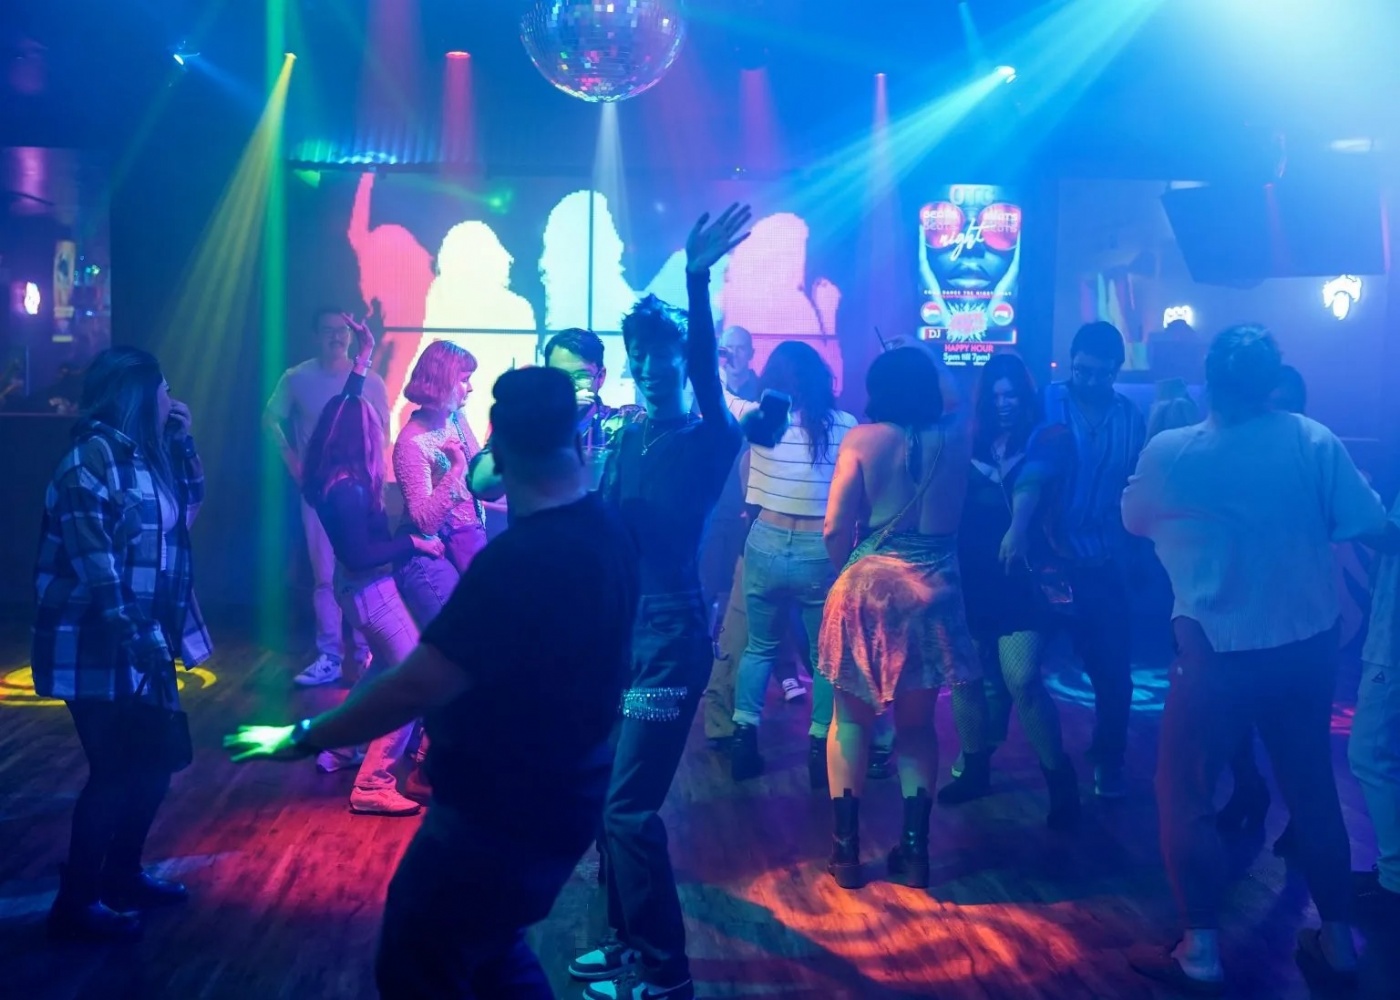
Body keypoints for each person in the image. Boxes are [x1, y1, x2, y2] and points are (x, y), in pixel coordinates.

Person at [227, 365, 640, 999]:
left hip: (498, 814)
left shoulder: (518, 560)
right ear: (575, 437)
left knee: (418, 963)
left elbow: (413, 687)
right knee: (492, 954)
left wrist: (303, 735)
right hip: (573, 793)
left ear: (500, 451)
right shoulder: (609, 529)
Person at [1122, 324, 1389, 994]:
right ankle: (1338, 946)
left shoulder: (1174, 450)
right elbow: (1368, 525)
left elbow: (1134, 518)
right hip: (1307, 647)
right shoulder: (1312, 439)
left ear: (1209, 378)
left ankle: (1200, 953)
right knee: (1313, 792)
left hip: (1216, 651)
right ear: (1274, 382)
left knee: (1186, 792)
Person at [568, 206, 750, 1000]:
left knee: (628, 810)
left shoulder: (710, 437)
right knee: (605, 797)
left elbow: (708, 371)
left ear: (684, 362)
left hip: (671, 640)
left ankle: (667, 972)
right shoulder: (625, 439)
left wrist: (697, 279)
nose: (649, 368)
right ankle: (621, 941)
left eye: (663, 357)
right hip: (618, 637)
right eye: (639, 357)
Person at [33, 347, 209, 942]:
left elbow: (186, 513)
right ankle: (76, 903)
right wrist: (144, 641)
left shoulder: (144, 454)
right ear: (138, 394)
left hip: (142, 639)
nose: (172, 398)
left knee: (154, 764)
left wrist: (182, 443)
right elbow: (97, 567)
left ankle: (123, 874)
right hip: (94, 644)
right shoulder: (88, 461)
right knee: (113, 771)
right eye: (164, 389)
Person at [816, 345, 976, 890]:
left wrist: (849, 571)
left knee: (850, 723)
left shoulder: (862, 440)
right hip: (935, 597)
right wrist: (929, 359)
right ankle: (914, 853)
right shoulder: (958, 438)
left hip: (868, 591)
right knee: (917, 727)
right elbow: (954, 397)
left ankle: (845, 853)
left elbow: (834, 527)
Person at [299, 322, 440, 817]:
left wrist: (363, 360)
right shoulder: (349, 489)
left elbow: (345, 405)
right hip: (369, 590)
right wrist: (413, 543)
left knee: (382, 671)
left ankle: (340, 749)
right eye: (374, 425)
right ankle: (374, 783)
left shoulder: (333, 474)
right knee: (412, 683)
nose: (380, 429)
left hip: (359, 590)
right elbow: (361, 554)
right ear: (360, 436)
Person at [940, 353, 1079, 827]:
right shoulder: (968, 439)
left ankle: (1060, 780)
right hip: (968, 574)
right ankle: (976, 768)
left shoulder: (1046, 437)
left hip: (1022, 577)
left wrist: (1017, 528)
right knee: (965, 678)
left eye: (1012, 395)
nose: (1004, 403)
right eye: (996, 395)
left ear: (1026, 397)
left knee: (1021, 677)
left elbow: (1034, 481)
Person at [725, 341, 857, 787]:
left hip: (764, 539)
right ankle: (819, 749)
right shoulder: (845, 425)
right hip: (817, 547)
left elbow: (715, 395)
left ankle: (743, 740)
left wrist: (720, 362)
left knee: (759, 648)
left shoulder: (759, 422)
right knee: (822, 657)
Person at [1041, 321, 1145, 798]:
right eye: (1082, 370)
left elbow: (1134, 484)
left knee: (1114, 672)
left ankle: (1109, 761)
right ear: (1071, 362)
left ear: (1116, 371)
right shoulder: (1047, 400)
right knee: (1017, 667)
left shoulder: (1130, 416)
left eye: (1102, 374)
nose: (1090, 381)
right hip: (1045, 560)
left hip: (1101, 559)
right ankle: (990, 754)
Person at [264, 308, 389, 687]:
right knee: (324, 575)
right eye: (328, 330)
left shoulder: (371, 380)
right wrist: (293, 463)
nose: (336, 336)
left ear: (352, 335)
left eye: (342, 330)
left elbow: (381, 434)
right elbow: (270, 419)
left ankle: (367, 651)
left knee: (364, 571)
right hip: (319, 493)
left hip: (362, 493)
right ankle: (330, 654)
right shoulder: (297, 378)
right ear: (316, 335)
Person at [467, 326, 643, 501]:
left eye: (582, 376)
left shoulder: (624, 421)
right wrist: (545, 421)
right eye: (560, 376)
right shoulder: (523, 423)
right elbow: (481, 487)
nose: (570, 386)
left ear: (601, 377)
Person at [392, 340, 486, 623]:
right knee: (460, 632)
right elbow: (425, 522)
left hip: (466, 541)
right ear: (443, 382)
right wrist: (455, 470)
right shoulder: (411, 442)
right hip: (429, 554)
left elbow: (477, 471)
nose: (471, 388)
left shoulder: (456, 417)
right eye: (464, 380)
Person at [1351, 493, 1400, 925]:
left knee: (1370, 753)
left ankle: (1394, 882)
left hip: (1394, 642)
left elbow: (1391, 535)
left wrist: (1340, 501)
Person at [719, 326, 760, 402]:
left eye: (741, 348)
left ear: (751, 353)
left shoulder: (763, 391)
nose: (734, 354)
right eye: (729, 347)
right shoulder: (711, 389)